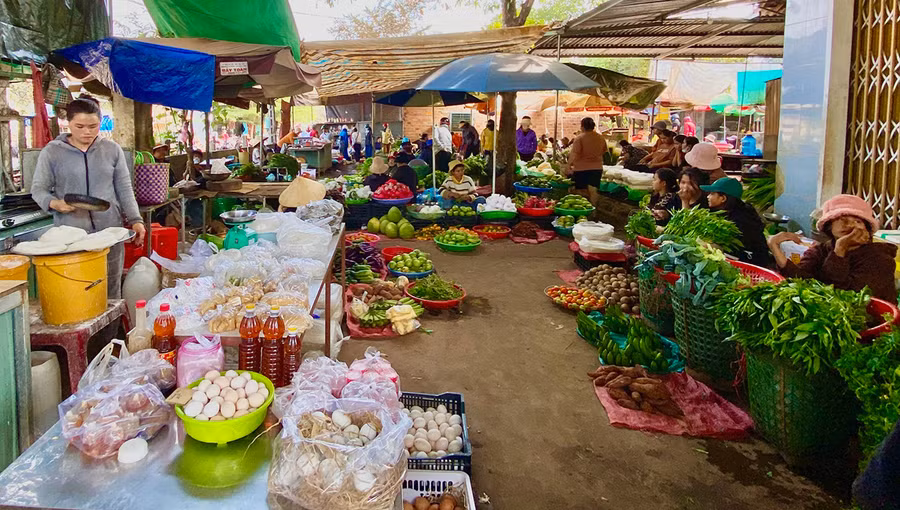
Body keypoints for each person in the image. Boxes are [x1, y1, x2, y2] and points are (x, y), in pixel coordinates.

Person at [31, 96, 146, 299]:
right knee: (78, 291)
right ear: (68, 123)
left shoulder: (112, 150)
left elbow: (124, 188)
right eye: (80, 126)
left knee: (110, 288)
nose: (87, 132)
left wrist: (136, 220)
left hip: (110, 232)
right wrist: (54, 203)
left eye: (93, 126)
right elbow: (38, 189)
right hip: (71, 234)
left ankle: (110, 331)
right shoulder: (52, 152)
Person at [769, 195, 897, 303]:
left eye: (857, 221)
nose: (850, 225)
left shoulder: (880, 258)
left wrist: (840, 249)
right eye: (842, 219)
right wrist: (774, 247)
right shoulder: (821, 251)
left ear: (867, 230)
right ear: (829, 227)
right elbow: (802, 281)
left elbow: (846, 296)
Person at [700, 177, 769, 264]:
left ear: (723, 198)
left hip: (752, 261)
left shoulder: (741, 219)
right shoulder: (730, 211)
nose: (708, 196)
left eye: (712, 193)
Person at [566, 117, 608, 204]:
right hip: (597, 168)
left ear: (582, 127)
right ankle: (593, 209)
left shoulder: (579, 138)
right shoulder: (600, 138)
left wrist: (568, 165)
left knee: (581, 191)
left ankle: (583, 209)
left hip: (581, 168)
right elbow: (604, 151)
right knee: (593, 190)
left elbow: (575, 153)